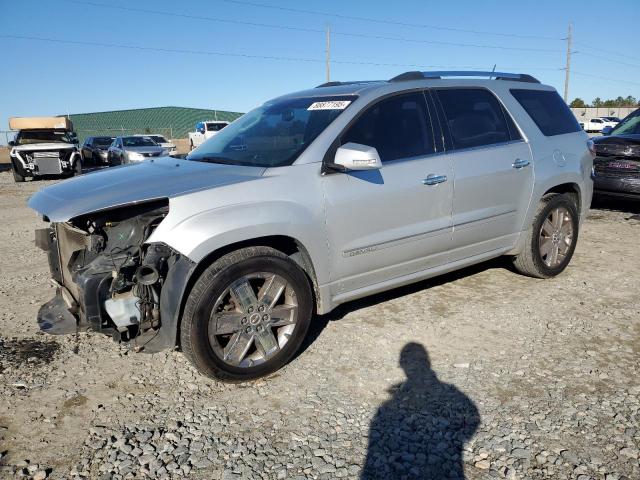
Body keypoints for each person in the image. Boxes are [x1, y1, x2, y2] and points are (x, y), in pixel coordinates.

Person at [362, 343, 480, 479]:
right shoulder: (451, 390)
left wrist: (457, 439)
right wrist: (458, 439)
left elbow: (472, 416)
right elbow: (473, 415)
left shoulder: (390, 404)